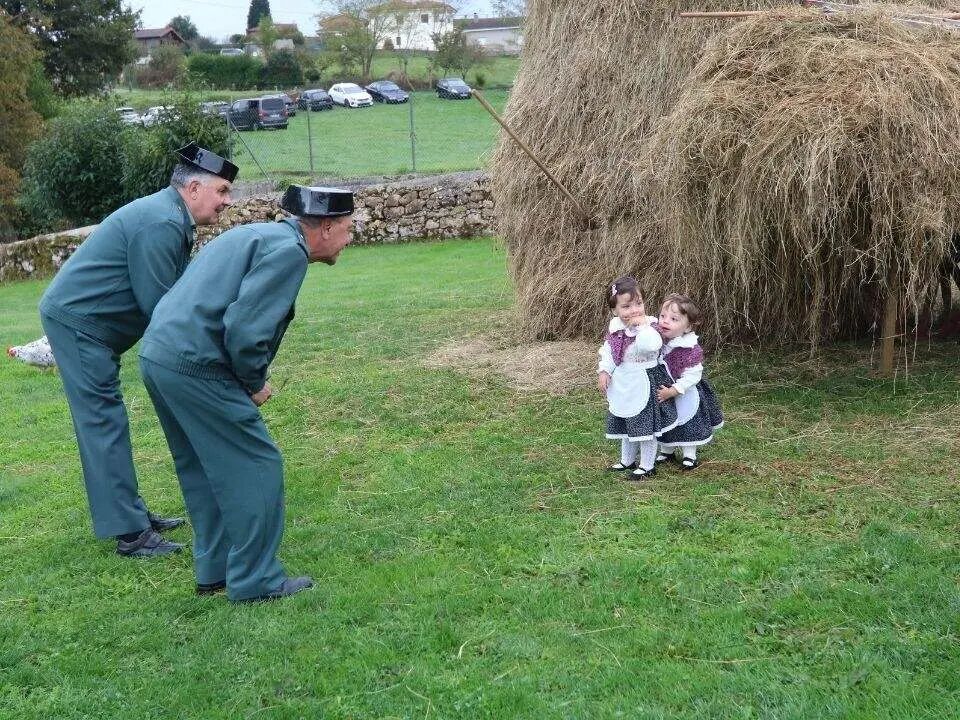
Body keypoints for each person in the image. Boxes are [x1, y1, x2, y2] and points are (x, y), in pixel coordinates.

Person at [138, 185, 355, 602]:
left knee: (203, 468)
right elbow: (245, 330)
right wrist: (253, 383)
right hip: (195, 364)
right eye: (347, 229)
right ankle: (256, 580)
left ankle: (215, 571)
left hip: (159, 356)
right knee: (258, 463)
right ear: (325, 227)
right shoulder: (289, 252)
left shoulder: (262, 235)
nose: (349, 239)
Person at [38, 143, 237, 557]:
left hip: (92, 326)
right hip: (79, 325)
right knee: (102, 422)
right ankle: (131, 534)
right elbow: (163, 310)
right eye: (221, 192)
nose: (227, 202)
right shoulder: (162, 223)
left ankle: (132, 515)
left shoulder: (170, 216)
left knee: (107, 420)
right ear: (194, 187)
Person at [598, 276, 679, 480]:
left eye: (639, 303)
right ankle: (627, 460)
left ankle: (647, 465)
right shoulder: (615, 328)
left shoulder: (651, 326)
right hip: (624, 382)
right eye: (626, 306)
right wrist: (604, 371)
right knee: (627, 421)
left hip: (645, 380)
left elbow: (651, 345)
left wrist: (641, 326)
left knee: (645, 425)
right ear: (614, 310)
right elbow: (608, 352)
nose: (634, 310)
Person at [654, 293, 725, 470]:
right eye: (663, 316)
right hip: (664, 390)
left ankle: (689, 454)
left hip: (684, 391)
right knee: (666, 421)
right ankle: (666, 450)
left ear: (687, 327)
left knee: (688, 422)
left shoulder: (689, 348)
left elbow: (694, 375)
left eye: (674, 319)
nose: (665, 321)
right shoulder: (657, 340)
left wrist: (675, 390)